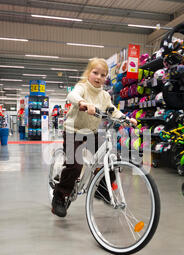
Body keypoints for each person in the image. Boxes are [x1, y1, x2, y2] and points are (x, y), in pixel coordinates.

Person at [51, 58, 137, 217]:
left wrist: (126, 118)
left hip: (91, 132)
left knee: (112, 158)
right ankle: (60, 196)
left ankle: (102, 189)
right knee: (75, 165)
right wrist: (83, 103)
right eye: (95, 73)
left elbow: (112, 111)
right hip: (73, 131)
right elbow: (72, 95)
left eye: (103, 75)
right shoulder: (82, 87)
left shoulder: (104, 95)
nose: (98, 77)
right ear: (88, 73)